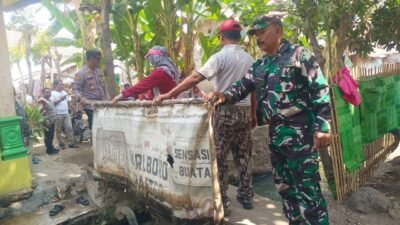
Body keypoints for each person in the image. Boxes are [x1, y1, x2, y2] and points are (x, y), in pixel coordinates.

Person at [207, 15, 331, 225]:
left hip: (300, 138)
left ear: (278, 31)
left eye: (262, 32)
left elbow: (320, 89)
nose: (258, 38)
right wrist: (224, 95)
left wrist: (323, 127)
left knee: (308, 192)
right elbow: (241, 88)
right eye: (255, 34)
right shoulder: (260, 65)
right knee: (285, 190)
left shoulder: (299, 55)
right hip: (275, 139)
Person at [156, 19, 256, 214]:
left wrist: (170, 94)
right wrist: (253, 113)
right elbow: (253, 90)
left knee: (219, 158)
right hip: (244, 112)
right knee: (243, 155)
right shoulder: (250, 59)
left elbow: (196, 77)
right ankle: (246, 196)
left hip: (224, 110)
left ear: (221, 37)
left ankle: (224, 202)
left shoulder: (220, 57)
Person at [112, 45, 179, 103]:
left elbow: (142, 85)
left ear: (156, 57)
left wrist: (122, 95)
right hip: (169, 102)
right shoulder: (171, 70)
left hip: (162, 105)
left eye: (152, 58)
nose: (151, 62)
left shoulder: (161, 72)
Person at [73, 49, 107, 130]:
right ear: (91, 59)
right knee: (95, 127)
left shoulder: (99, 72)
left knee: (104, 126)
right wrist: (81, 98)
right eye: (98, 59)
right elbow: (76, 89)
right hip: (91, 106)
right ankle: (94, 141)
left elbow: (103, 87)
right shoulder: (81, 73)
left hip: (102, 104)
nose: (99, 61)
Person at [51, 80, 79, 149]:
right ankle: (61, 144)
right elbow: (52, 104)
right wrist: (60, 99)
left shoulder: (64, 93)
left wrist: (74, 110)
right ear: (56, 85)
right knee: (58, 130)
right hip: (58, 114)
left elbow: (68, 103)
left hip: (66, 113)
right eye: (60, 84)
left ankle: (71, 143)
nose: (62, 86)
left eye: (62, 84)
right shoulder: (52, 93)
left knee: (69, 128)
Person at [38, 88, 59, 155]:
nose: (48, 94)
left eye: (49, 92)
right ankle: (49, 150)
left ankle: (51, 147)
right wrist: (45, 119)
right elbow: (39, 111)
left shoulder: (49, 100)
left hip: (52, 121)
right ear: (43, 93)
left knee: (51, 135)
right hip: (47, 122)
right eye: (46, 92)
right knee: (48, 136)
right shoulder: (42, 101)